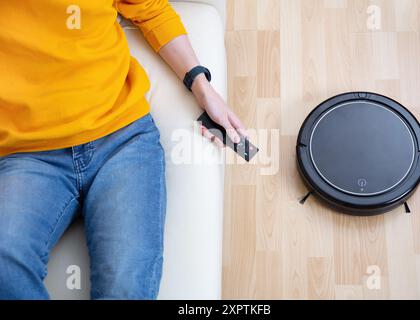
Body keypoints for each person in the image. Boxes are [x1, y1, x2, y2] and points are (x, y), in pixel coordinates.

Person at [0, 0, 245, 300]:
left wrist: (203, 89)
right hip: (28, 154)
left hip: (122, 139)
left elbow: (150, 10)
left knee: (125, 289)